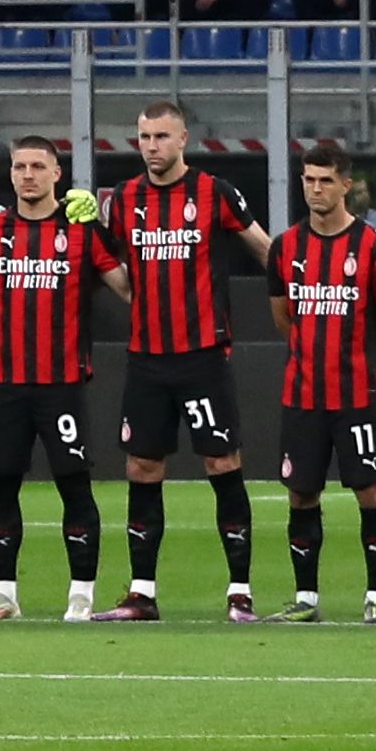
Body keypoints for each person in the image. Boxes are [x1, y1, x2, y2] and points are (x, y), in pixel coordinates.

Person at [103, 99, 273, 621]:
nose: (151, 146)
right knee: (142, 466)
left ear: (183, 140)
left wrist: (305, 294)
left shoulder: (214, 192)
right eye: (144, 137)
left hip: (202, 355)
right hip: (148, 358)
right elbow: (115, 269)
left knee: (222, 463)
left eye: (160, 136)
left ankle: (240, 591)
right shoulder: (125, 199)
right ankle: (142, 593)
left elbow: (267, 251)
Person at [0, 136, 117, 621]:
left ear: (58, 174)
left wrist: (104, 227)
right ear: (10, 174)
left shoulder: (82, 231)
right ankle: (2, 595)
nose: (27, 175)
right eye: (19, 167)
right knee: (1, 484)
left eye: (37, 166)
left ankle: (81, 595)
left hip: (62, 383)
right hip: (5, 383)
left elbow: (131, 288)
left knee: (74, 486)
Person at [266, 140, 376, 623]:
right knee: (301, 493)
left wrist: (363, 359)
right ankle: (306, 598)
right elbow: (284, 316)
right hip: (302, 394)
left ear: (346, 185)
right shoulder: (285, 247)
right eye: (308, 179)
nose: (316, 189)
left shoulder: (374, 248)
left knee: (370, 490)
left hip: (356, 393)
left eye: (326, 180)